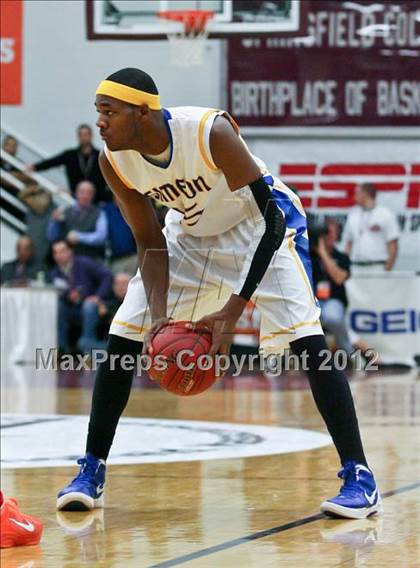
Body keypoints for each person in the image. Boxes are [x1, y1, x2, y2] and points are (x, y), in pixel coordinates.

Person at [57, 68, 381, 519]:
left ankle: (360, 477)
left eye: (109, 112)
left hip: (262, 228)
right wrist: (157, 317)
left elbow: (270, 221)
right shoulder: (114, 160)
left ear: (143, 111)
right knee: (122, 338)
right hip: (190, 236)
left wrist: (231, 312)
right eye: (99, 113)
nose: (100, 123)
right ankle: (91, 470)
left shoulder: (210, 132)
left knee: (310, 344)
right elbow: (150, 242)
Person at [49, 241, 113, 354]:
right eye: (55, 253)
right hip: (72, 309)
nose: (59, 255)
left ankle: (87, 346)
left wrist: (97, 296)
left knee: (88, 306)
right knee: (58, 306)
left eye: (62, 251)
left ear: (70, 252)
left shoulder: (84, 263)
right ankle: (62, 349)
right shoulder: (54, 273)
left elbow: (107, 276)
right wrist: (67, 295)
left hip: (92, 307)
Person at [27, 124, 111, 203]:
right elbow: (53, 162)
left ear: (91, 136)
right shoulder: (70, 155)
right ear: (78, 137)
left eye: (86, 134)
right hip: (75, 198)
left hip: (98, 200)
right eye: (81, 135)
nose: (83, 137)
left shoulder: (100, 156)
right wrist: (35, 167)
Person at [310, 219, 353, 357]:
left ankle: (348, 352)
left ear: (337, 235)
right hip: (311, 301)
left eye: (331, 232)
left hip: (332, 301)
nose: (327, 235)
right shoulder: (309, 256)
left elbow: (339, 278)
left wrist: (323, 253)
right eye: (325, 232)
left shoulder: (341, 257)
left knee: (333, 317)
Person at [342, 183, 399, 273]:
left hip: (377, 266)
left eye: (357, 193)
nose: (354, 196)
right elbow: (349, 243)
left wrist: (387, 268)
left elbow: (393, 244)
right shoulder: (353, 214)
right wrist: (345, 265)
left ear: (365, 194)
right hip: (355, 266)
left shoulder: (385, 214)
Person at [47, 180, 108, 260]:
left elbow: (101, 237)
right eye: (82, 192)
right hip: (70, 261)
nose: (85, 196)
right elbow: (51, 237)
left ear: (93, 195)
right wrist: (54, 221)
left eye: (89, 193)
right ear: (76, 193)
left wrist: (79, 237)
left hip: (93, 259)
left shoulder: (99, 213)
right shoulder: (65, 210)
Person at [19, 181, 55, 270]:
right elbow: (22, 195)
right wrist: (38, 188)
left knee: (40, 263)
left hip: (44, 241)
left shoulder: (51, 208)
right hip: (32, 238)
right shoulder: (31, 207)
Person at [102, 196, 137, 275]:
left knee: (134, 284)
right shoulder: (106, 209)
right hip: (115, 259)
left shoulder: (131, 209)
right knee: (119, 285)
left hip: (132, 256)